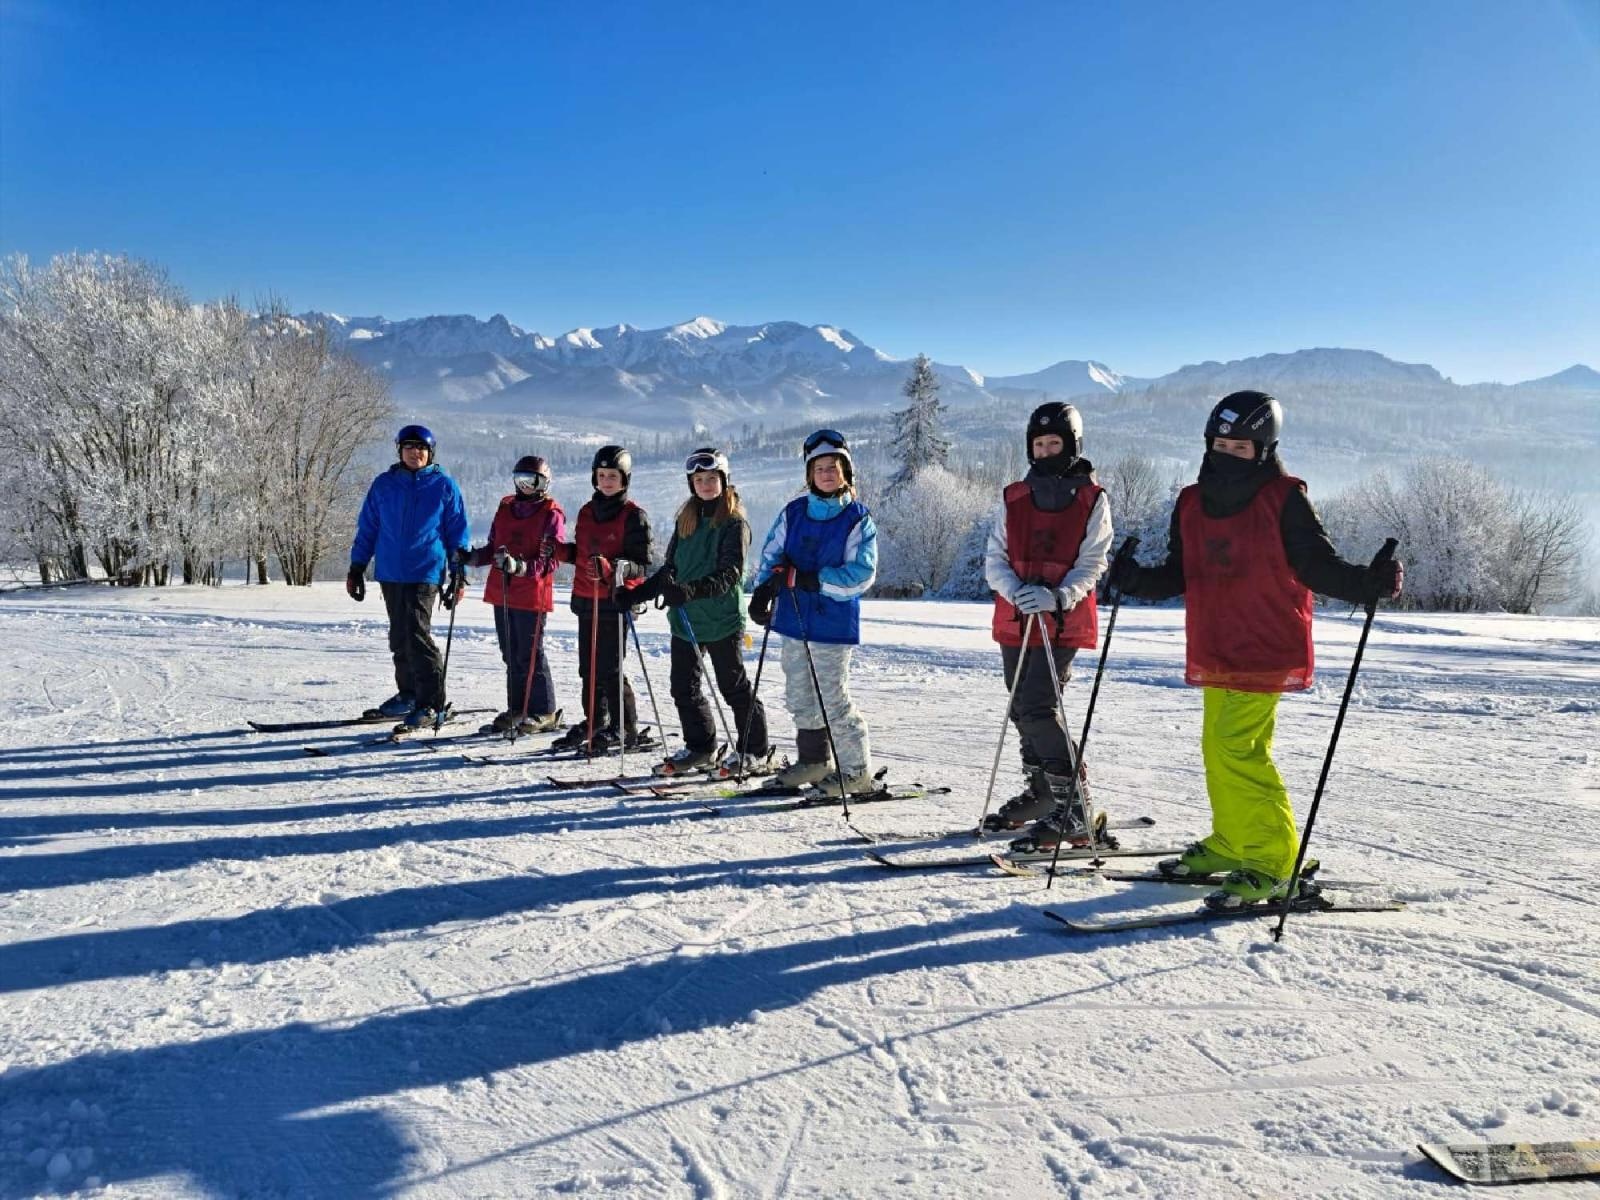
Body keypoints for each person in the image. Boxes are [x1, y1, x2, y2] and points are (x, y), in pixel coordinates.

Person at [1106, 390, 1404, 908]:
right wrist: (1135, 580)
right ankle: (1234, 841)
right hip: (1215, 642)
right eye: (1221, 445)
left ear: (1264, 450)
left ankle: (1274, 860)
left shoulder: (1283, 497)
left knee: (1238, 749)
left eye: (1241, 447)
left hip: (1265, 643)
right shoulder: (1191, 502)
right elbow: (1180, 572)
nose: (1229, 454)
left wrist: (1366, 583)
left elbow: (1315, 564)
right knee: (1218, 749)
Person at [984, 402, 1114, 850]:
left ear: (1072, 445)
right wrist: (1013, 589)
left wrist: (1059, 596)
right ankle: (1043, 794)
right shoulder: (1014, 496)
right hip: (1016, 614)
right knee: (1020, 707)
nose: (1045, 451)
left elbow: (1093, 560)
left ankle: (1075, 807)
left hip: (1060, 618)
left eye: (1054, 443)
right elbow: (995, 556)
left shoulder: (1092, 499)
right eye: (1038, 444)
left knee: (1039, 706)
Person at [748, 430, 879, 795]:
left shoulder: (857, 518)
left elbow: (861, 575)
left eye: (833, 467)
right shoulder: (793, 513)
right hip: (792, 618)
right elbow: (771, 555)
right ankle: (814, 760)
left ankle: (856, 771)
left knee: (832, 698)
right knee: (800, 695)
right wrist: (763, 590)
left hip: (831, 623)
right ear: (809, 474)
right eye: (819, 468)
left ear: (846, 472)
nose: (826, 474)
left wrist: (813, 579)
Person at [633, 448, 773, 777]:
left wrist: (690, 590)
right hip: (686, 620)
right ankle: (701, 747)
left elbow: (730, 574)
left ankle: (755, 750)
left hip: (722, 618)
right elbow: (670, 569)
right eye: (699, 480)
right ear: (691, 483)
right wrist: (637, 594)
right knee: (683, 687)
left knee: (733, 686)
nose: (706, 485)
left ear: (724, 481)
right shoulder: (686, 519)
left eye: (712, 478)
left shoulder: (734, 522)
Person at [346, 423, 471, 729]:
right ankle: (409, 694)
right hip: (391, 572)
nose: (416, 453)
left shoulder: (444, 486)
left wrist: (459, 573)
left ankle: (432, 703)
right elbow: (368, 528)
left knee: (417, 635)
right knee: (400, 637)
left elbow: (457, 533)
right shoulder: (384, 485)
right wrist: (357, 567)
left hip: (425, 570)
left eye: (422, 448)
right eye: (409, 447)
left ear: (431, 453)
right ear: (400, 451)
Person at [549, 445, 654, 753]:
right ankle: (596, 719)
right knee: (588, 668)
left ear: (625, 479)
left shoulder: (634, 515)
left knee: (609, 668)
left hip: (614, 599)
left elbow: (642, 564)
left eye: (613, 476)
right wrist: (561, 552)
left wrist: (613, 568)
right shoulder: (586, 511)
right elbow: (582, 553)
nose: (607, 481)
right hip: (586, 597)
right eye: (602, 475)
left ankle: (624, 727)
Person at [466, 454, 566, 735]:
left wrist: (520, 567)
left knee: (530, 653)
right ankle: (518, 707)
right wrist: (472, 558)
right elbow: (493, 548)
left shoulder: (551, 513)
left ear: (543, 483)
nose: (524, 486)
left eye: (531, 480)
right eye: (520, 479)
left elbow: (552, 559)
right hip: (503, 591)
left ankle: (544, 710)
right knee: (510, 652)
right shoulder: (506, 507)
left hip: (531, 593)